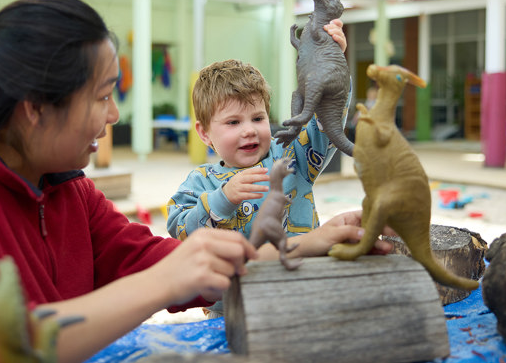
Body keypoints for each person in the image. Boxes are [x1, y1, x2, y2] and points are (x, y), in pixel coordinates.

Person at [0, 0, 389, 362]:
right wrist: (162, 282)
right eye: (102, 96)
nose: (114, 117)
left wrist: (309, 244)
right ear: (35, 109)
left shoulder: (66, 190)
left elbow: (167, 260)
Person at [167, 21, 390, 317]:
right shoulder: (200, 182)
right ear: (204, 133)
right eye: (233, 122)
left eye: (257, 118)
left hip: (306, 292)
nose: (249, 130)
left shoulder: (290, 156)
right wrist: (223, 198)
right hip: (234, 311)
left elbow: (326, 123)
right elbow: (180, 232)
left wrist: (332, 65)